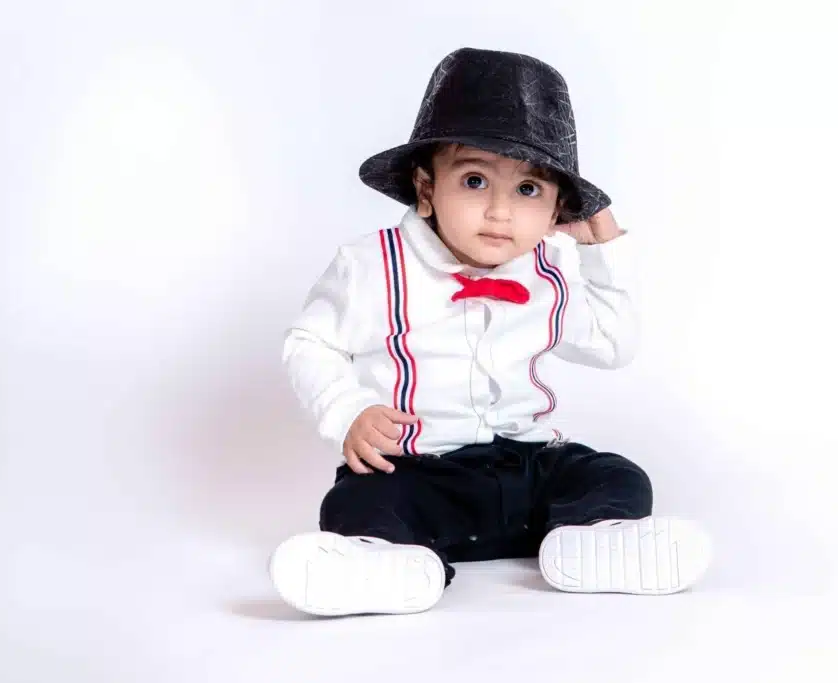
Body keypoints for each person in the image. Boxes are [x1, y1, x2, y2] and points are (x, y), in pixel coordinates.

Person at [269, 47, 713, 616]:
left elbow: (613, 345)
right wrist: (346, 408)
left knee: (616, 476)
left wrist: (603, 252)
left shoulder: (550, 271)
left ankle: (586, 542)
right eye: (475, 180)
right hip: (419, 471)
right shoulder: (372, 266)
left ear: (556, 212)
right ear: (426, 190)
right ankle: (384, 559)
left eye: (528, 190)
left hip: (525, 469)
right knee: (359, 500)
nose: (500, 212)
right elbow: (310, 342)